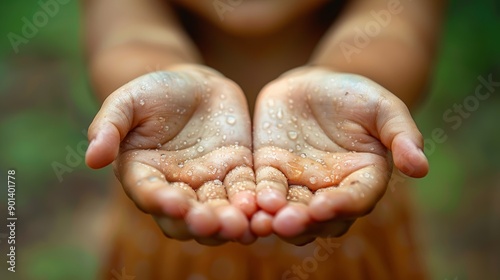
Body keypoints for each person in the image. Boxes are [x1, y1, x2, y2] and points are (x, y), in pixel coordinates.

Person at [83, 0, 445, 279]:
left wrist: (348, 82)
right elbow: (125, 37)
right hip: (176, 188)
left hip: (342, 188)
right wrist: (162, 78)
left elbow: (397, 29)